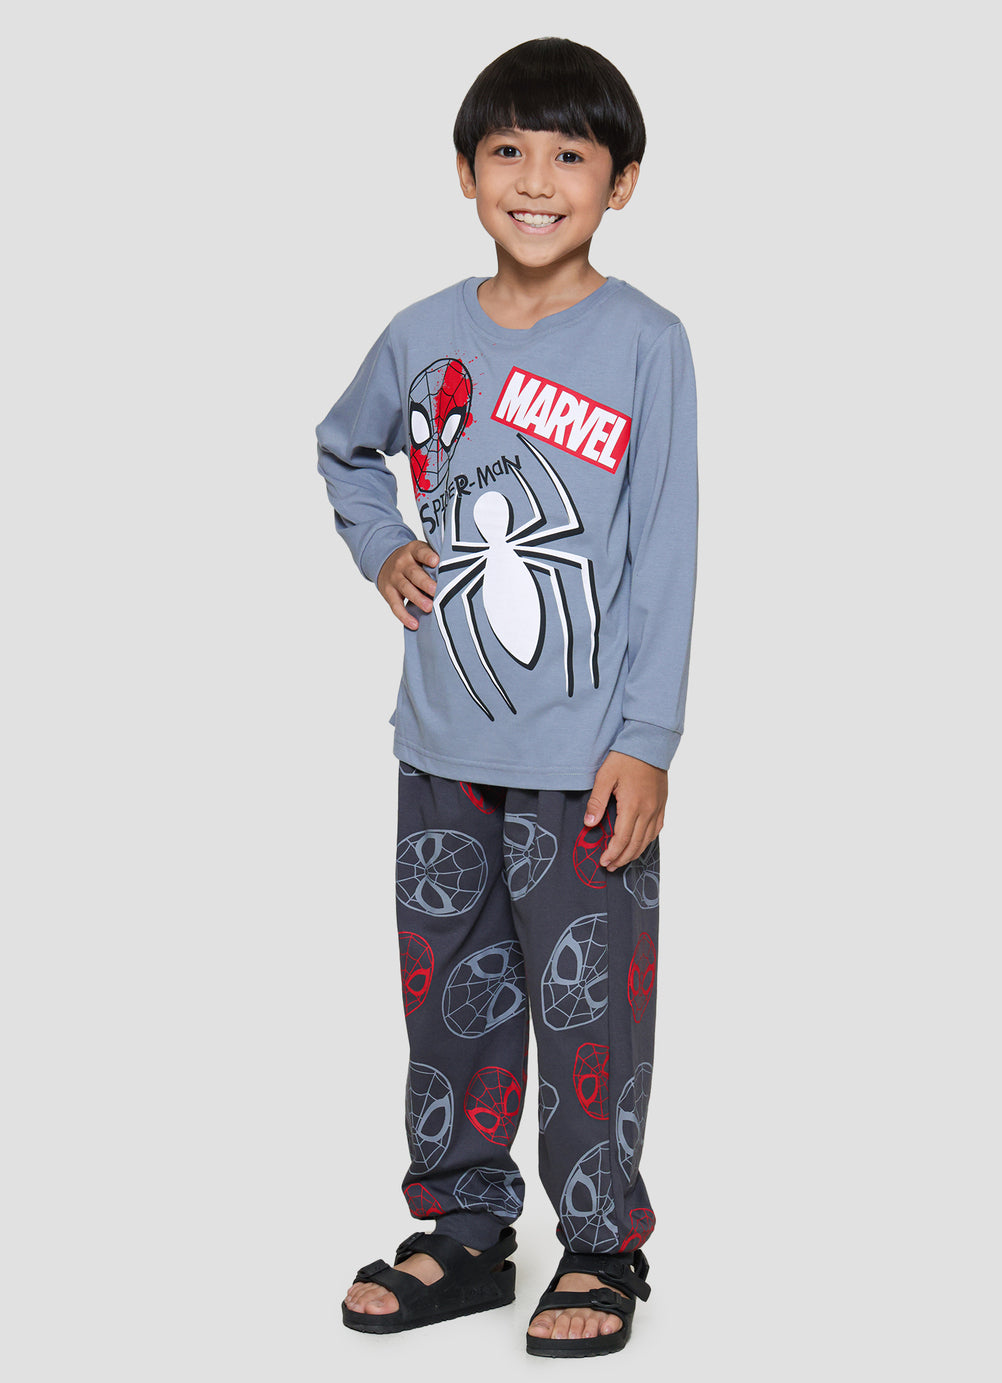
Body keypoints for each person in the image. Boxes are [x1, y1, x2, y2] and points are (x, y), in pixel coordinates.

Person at [315, 36, 698, 1359]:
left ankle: (599, 1244)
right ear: (467, 172)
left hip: (585, 763)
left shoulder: (646, 344)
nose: (537, 180)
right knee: (452, 995)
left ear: (621, 181)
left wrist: (647, 739)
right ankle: (467, 1228)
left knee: (590, 1011)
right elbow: (347, 450)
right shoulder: (421, 336)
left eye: (570, 155)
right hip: (440, 747)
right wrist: (384, 545)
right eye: (508, 152)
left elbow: (665, 550)